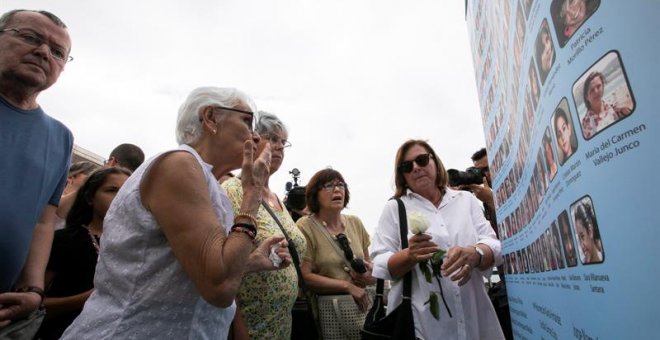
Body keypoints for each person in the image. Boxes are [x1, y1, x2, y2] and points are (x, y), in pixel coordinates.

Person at [61, 87, 291, 339]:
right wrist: (252, 194)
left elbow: (186, 272)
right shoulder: (178, 165)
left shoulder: (209, 185)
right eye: (247, 121)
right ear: (211, 117)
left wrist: (252, 262)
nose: (255, 135)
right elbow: (220, 286)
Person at [371, 140, 504, 339]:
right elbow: (379, 261)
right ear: (403, 176)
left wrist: (475, 253)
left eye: (422, 160)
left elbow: (495, 245)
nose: (416, 168)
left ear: (435, 162)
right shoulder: (395, 208)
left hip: (473, 317)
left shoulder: (465, 201)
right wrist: (409, 255)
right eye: (407, 166)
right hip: (423, 326)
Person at [0, 9, 74, 329]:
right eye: (30, 37)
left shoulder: (60, 137)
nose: (44, 52)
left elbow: (44, 220)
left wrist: (33, 289)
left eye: (58, 52)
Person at [222, 111, 307, 339]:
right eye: (271, 138)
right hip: (249, 323)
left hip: (281, 323)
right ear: (251, 140)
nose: (279, 146)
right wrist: (238, 327)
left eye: (282, 141)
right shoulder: (232, 190)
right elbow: (223, 262)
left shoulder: (278, 199)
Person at [35, 167, 131, 339]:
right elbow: (33, 303)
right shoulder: (65, 240)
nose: (120, 197)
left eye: (126, 191)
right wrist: (87, 298)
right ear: (89, 197)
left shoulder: (133, 247)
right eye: (111, 190)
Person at [296, 168, 375, 339]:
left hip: (363, 308)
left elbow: (370, 267)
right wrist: (347, 286)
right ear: (315, 194)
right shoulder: (305, 226)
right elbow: (304, 276)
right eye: (329, 185)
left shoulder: (355, 222)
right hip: (329, 312)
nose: (337, 189)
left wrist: (369, 276)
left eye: (341, 185)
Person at [580, 71, 632, 139]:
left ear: (603, 86)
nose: (596, 91)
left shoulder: (614, 106)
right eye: (592, 90)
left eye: (598, 86)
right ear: (587, 97)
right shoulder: (585, 124)